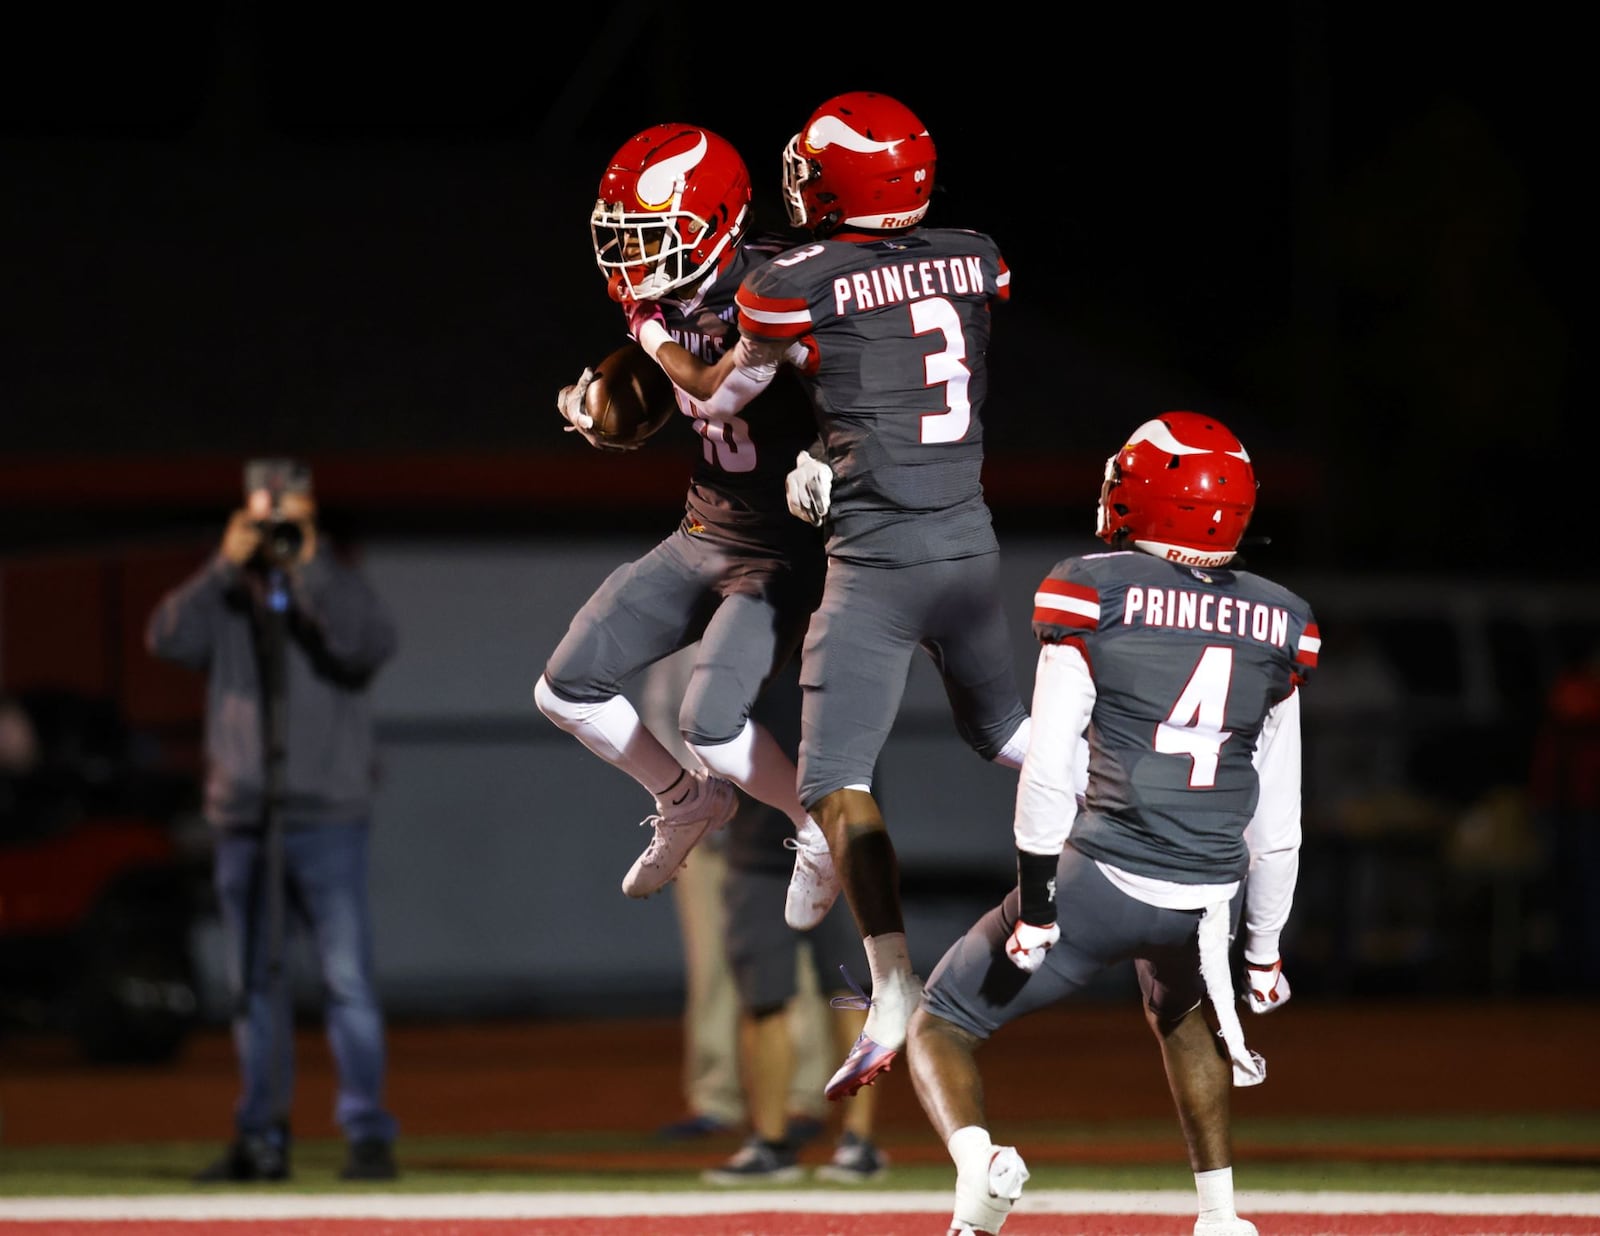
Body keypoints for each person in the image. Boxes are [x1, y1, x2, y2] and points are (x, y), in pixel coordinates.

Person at [625, 92, 1032, 1101]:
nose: (794, 183)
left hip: (879, 562)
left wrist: (643, 332)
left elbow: (720, 390)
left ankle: (892, 982)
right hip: (971, 543)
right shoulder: (976, 255)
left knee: (829, 784)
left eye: (810, 170)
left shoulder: (791, 277)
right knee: (1016, 739)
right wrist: (826, 444)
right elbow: (887, 355)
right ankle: (1152, 797)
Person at [903, 412, 1317, 1236]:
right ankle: (1221, 1215)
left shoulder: (1095, 588)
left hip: (1103, 877)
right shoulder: (1283, 619)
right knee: (1184, 1012)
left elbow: (1054, 766)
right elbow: (1278, 818)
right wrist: (1264, 952)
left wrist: (1038, 900)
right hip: (1206, 901)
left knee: (941, 1022)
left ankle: (981, 1167)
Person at [538, 123, 842, 932]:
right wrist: (600, 409)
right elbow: (658, 385)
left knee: (710, 724)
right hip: (704, 530)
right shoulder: (671, 295)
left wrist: (828, 447)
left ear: (712, 224)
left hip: (783, 552)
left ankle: (818, 832)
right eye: (624, 241)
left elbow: (736, 390)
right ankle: (685, 801)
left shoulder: (781, 288)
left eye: (649, 238)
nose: (633, 262)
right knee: (564, 688)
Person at [145, 458, 401, 1183]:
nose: (276, 531)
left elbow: (369, 644)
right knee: (254, 983)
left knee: (347, 980)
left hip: (328, 815)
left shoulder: (337, 581)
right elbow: (165, 638)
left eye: (289, 514)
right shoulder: (227, 597)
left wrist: (311, 565)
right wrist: (223, 567)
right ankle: (261, 1137)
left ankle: (367, 1136)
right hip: (247, 818)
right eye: (265, 518)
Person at [701, 659, 886, 1184]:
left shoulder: (848, 643)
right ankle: (770, 1140)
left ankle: (859, 1140)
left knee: (850, 994)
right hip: (757, 849)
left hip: (844, 844)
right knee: (763, 998)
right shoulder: (741, 650)